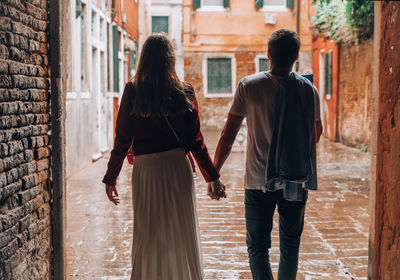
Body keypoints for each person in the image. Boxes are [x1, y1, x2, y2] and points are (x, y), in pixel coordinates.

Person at [102, 33, 226, 280]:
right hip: (177, 168)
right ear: (170, 59)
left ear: (144, 59)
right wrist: (212, 177)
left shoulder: (133, 91)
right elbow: (195, 140)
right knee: (180, 231)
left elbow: (122, 138)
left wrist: (111, 176)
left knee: (149, 233)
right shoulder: (185, 91)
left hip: (146, 171)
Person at [211, 29, 323, 279]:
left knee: (258, 247)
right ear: (295, 55)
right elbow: (317, 131)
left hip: (257, 181)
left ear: (268, 54)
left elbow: (228, 134)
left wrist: (214, 172)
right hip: (295, 179)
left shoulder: (249, 86)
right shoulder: (308, 90)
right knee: (290, 247)